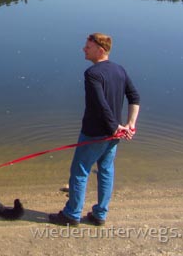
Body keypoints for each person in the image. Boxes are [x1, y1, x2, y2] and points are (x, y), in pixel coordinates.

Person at [48, 32, 140, 226]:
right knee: (106, 171)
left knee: (80, 171)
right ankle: (100, 214)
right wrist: (129, 124)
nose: (84, 49)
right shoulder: (119, 70)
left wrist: (116, 127)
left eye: (87, 47)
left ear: (100, 50)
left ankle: (72, 214)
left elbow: (100, 104)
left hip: (95, 134)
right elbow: (135, 97)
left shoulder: (92, 74)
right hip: (113, 135)